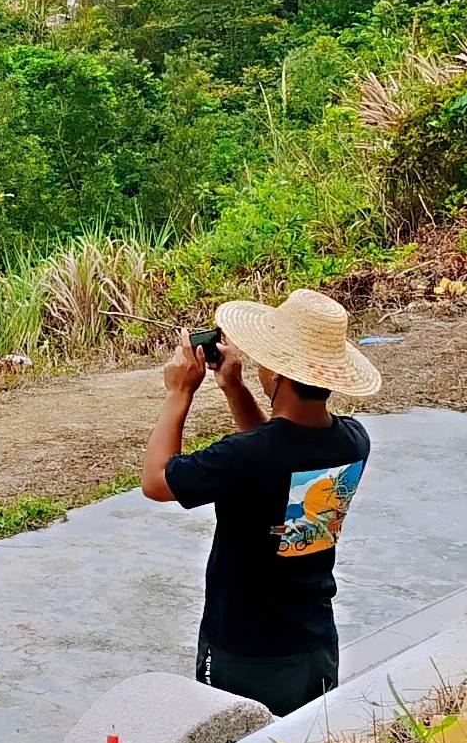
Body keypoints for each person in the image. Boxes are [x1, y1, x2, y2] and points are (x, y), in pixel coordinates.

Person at [139, 286, 380, 715]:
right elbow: (277, 448)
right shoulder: (354, 442)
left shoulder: (244, 456)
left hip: (242, 651)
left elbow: (156, 481)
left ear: (278, 374)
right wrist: (233, 388)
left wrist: (179, 392)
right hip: (313, 644)